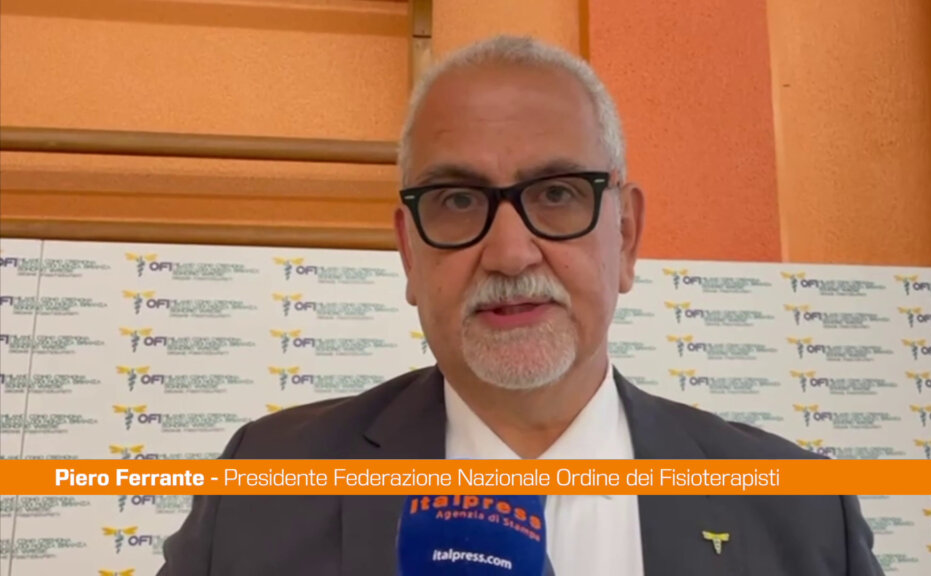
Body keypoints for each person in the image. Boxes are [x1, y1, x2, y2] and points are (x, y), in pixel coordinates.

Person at [158, 35, 883, 576]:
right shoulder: (260, 494)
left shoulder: (802, 513)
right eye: (457, 201)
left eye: (557, 194)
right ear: (409, 252)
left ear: (626, 236)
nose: (509, 253)